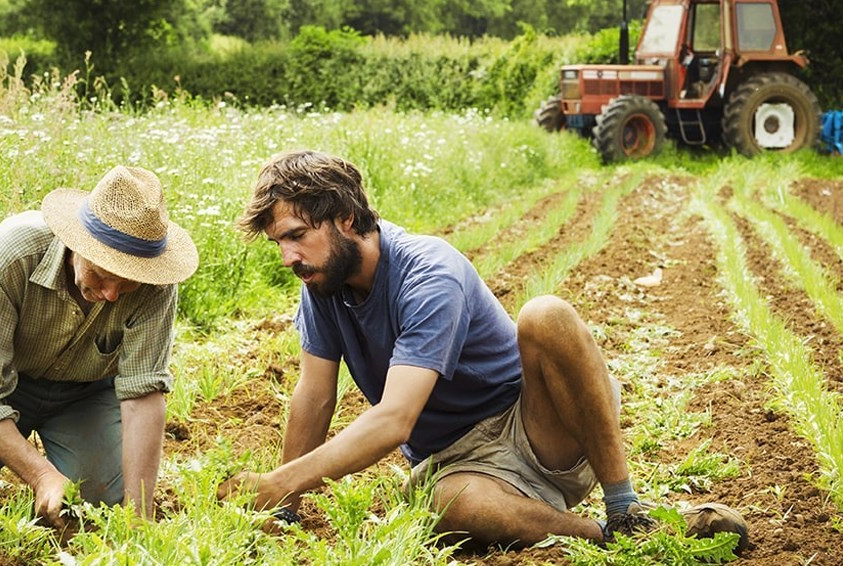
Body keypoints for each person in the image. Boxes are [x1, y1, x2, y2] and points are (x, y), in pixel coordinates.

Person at [218, 150, 747, 551]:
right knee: (446, 504)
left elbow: (395, 419)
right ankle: (603, 535)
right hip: (458, 464)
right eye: (278, 243)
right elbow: (314, 396)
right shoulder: (321, 283)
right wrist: (282, 506)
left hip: (538, 427)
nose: (287, 256)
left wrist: (277, 481)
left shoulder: (427, 272)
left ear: (347, 220)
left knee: (546, 313)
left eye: (296, 236)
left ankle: (626, 505)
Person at [0, 165, 198, 528]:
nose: (110, 294)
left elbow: (142, 393)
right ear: (77, 244)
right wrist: (41, 475)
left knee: (98, 508)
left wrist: (139, 515)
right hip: (2, 379)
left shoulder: (156, 284)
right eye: (102, 274)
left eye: (126, 285)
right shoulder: (14, 253)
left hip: (85, 394)